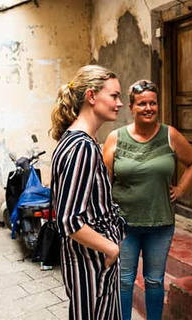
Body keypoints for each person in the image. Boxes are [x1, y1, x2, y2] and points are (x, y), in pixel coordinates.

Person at [103, 79, 192, 320]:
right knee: (124, 281)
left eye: (153, 103)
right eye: (142, 104)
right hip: (124, 225)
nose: (148, 108)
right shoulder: (115, 138)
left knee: (155, 280)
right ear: (131, 107)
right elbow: (104, 182)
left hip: (160, 224)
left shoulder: (170, 135)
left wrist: (180, 189)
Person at [50, 65, 126, 320]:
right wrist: (111, 249)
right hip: (91, 262)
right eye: (114, 96)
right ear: (92, 96)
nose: (120, 103)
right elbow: (69, 220)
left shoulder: (75, 141)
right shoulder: (82, 146)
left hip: (91, 260)